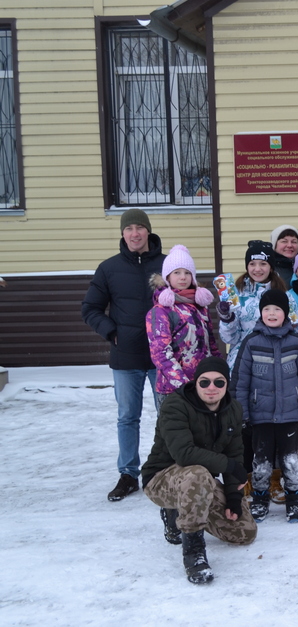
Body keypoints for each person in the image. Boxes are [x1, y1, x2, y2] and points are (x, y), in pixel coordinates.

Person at [141, 356, 256, 584]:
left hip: (200, 483)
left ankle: (180, 512)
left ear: (227, 384)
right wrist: (230, 466)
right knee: (198, 472)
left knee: (244, 533)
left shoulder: (233, 408)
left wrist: (233, 497)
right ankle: (194, 552)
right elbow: (184, 454)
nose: (211, 388)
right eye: (204, 382)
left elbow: (234, 454)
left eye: (219, 382)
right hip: (162, 479)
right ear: (195, 383)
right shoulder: (175, 405)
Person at [82, 208, 166, 502]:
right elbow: (90, 308)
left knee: (168, 415)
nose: (134, 233)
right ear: (122, 233)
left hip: (163, 358)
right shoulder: (108, 268)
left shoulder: (168, 265)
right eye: (128, 228)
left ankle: (163, 468)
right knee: (127, 417)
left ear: (148, 231)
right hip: (126, 356)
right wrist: (111, 332)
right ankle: (128, 473)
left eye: (139, 228)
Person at [231, 289, 298, 523]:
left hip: (291, 414)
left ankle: (294, 499)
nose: (272, 313)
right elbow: (241, 382)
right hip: (261, 416)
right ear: (261, 313)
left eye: (277, 309)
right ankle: (260, 500)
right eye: (267, 309)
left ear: (286, 314)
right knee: (261, 463)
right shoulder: (251, 342)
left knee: (291, 461)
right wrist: (242, 413)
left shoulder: (295, 343)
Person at [145, 244, 220, 410]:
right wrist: (184, 385)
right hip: (174, 390)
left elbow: (211, 346)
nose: (183, 277)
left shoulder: (200, 307)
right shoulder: (161, 311)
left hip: (203, 385)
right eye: (177, 272)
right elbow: (160, 353)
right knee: (176, 435)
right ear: (168, 277)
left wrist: (220, 371)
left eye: (187, 273)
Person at [217, 240, 295, 369]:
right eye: (252, 264)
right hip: (241, 362)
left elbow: (294, 332)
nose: (257, 269)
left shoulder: (284, 296)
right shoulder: (236, 294)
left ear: (271, 267)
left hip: (274, 362)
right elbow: (229, 339)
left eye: (263, 264)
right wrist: (227, 318)